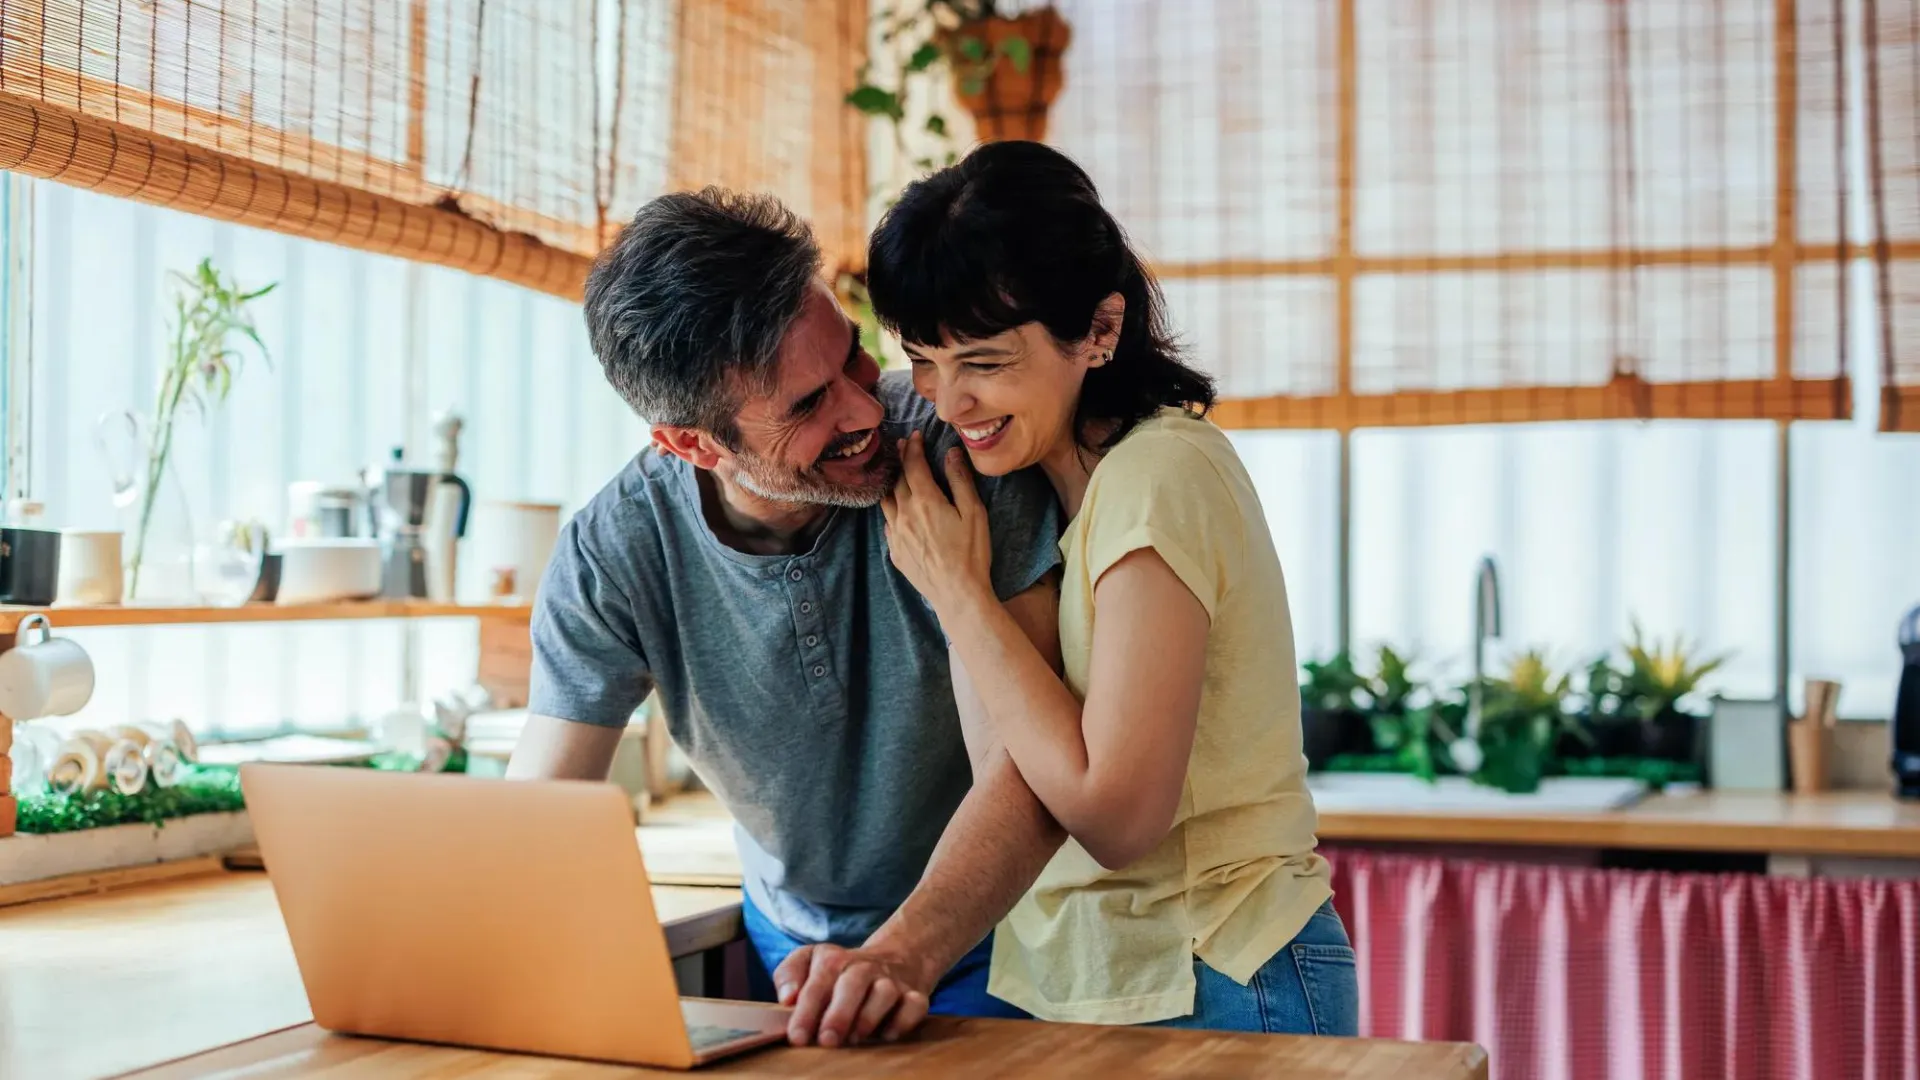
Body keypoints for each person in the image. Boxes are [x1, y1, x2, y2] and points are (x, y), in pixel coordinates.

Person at [506, 186, 1070, 1047]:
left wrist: (905, 952)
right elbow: (539, 818)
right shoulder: (616, 550)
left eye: (852, 358)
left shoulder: (965, 451)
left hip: (1014, 927)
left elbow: (1032, 771)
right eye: (808, 406)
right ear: (692, 444)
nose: (868, 409)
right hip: (796, 949)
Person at [854, 139, 1360, 1034]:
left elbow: (1117, 820)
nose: (946, 399)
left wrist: (957, 591)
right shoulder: (1047, 495)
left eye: (983, 361)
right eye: (923, 359)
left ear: (1100, 330)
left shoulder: (1159, 474)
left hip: (1223, 970)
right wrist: (963, 587)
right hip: (1096, 980)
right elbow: (1013, 768)